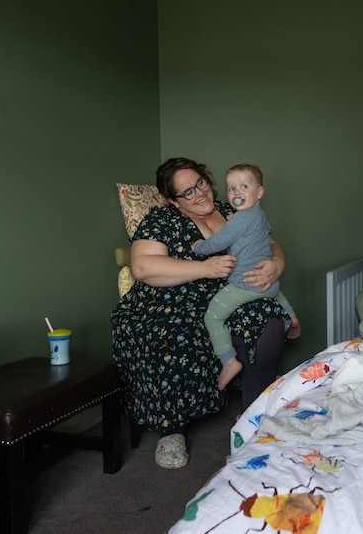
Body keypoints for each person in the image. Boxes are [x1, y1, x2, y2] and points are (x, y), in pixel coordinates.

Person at [111, 157, 290, 469]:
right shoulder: (160, 220)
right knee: (173, 332)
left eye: (201, 184)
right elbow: (142, 267)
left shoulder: (234, 209)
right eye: (187, 193)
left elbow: (271, 244)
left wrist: (277, 264)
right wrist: (203, 268)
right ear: (172, 201)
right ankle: (171, 429)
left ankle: (253, 414)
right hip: (170, 298)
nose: (199, 194)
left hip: (225, 295)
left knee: (269, 322)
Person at [192, 164, 301, 391]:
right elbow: (251, 234)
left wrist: (200, 247)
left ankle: (229, 361)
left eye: (243, 186)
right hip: (270, 285)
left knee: (212, 318)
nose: (236, 193)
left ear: (259, 193)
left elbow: (219, 242)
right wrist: (235, 220)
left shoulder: (240, 220)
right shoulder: (259, 215)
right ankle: (291, 315)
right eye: (231, 189)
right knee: (272, 288)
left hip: (244, 284)